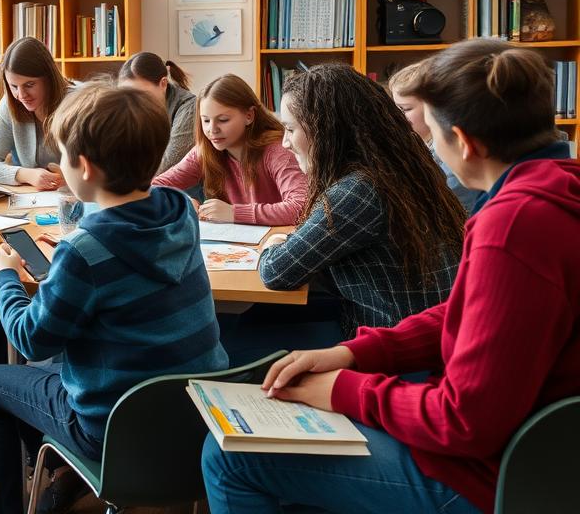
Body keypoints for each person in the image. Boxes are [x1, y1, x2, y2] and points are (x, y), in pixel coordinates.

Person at [201, 39, 580, 514]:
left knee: (227, 455)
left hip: (491, 477)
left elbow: (463, 423)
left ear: (462, 141)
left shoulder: (514, 226)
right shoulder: (556, 191)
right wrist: (354, 352)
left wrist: (345, 388)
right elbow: (461, 313)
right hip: (532, 453)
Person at [0, 82, 227, 513]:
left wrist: (3, 277)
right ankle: (64, 471)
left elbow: (30, 339)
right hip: (196, 414)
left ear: (84, 168)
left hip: (112, 428)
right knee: (60, 360)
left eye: (63, 156)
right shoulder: (180, 208)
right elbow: (121, 249)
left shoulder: (84, 253)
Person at [221, 64, 464, 365]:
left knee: (227, 341)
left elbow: (276, 273)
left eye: (291, 129)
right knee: (249, 318)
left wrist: (275, 244)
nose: (284, 142)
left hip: (390, 348)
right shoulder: (402, 170)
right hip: (418, 335)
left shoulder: (358, 191)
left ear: (328, 131)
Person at [152, 74, 306, 226]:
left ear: (249, 116)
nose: (212, 129)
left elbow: (300, 207)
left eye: (223, 120)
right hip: (235, 244)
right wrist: (181, 202)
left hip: (278, 243)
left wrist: (234, 213)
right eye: (205, 120)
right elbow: (153, 187)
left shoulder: (278, 151)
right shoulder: (205, 150)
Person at [0, 37, 72, 189]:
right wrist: (27, 175)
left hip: (76, 198)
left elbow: (103, 167)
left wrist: (69, 178)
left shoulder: (78, 103)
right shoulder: (9, 104)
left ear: (49, 78)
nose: (21, 95)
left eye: (29, 85)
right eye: (14, 86)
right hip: (31, 200)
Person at [389, 62, 480, 212]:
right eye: (395, 107)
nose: (396, 115)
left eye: (405, 108)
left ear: (435, 109)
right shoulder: (418, 142)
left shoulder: (450, 156)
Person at [119, 51, 197, 174]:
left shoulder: (188, 107)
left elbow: (170, 163)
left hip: (183, 189)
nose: (134, 102)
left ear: (163, 84)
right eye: (128, 94)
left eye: (142, 94)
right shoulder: (127, 106)